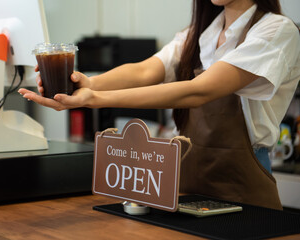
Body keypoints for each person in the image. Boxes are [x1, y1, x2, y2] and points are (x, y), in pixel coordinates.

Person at [19, 0, 300, 210]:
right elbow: (144, 71)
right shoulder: (197, 35)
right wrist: (87, 84)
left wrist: (95, 99)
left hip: (244, 186)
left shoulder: (277, 30)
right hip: (188, 185)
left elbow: (198, 91)